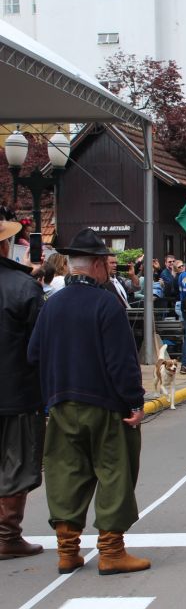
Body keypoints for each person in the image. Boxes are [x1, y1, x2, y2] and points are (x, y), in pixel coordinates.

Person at [27, 229, 149, 575]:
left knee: (66, 472)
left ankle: (67, 551)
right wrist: (134, 402)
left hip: (61, 402)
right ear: (96, 265)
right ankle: (111, 551)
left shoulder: (52, 305)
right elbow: (121, 362)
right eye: (106, 263)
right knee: (114, 472)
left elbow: (33, 353)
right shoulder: (107, 303)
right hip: (104, 404)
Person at [0, 216, 45, 561]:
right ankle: (6, 535)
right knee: (17, 465)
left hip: (15, 388)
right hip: (15, 391)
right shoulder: (21, 285)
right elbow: (39, 347)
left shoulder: (22, 284)